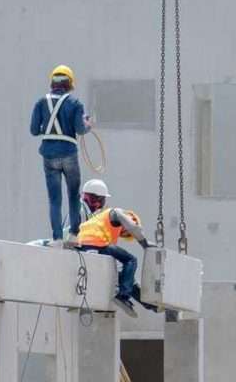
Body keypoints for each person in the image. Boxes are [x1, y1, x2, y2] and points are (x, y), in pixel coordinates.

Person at [30, 65, 92, 246]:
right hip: (69, 154)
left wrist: (48, 128)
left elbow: (34, 130)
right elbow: (80, 129)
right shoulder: (75, 104)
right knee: (73, 195)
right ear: (70, 84)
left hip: (49, 156)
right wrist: (87, 125)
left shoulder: (41, 103)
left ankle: (57, 238)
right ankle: (73, 235)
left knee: (54, 199)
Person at [75, 185, 155, 318]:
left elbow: (125, 278)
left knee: (119, 276)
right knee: (131, 260)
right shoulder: (115, 212)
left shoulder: (98, 220)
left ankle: (148, 304)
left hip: (82, 246)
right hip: (96, 244)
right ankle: (123, 296)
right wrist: (145, 243)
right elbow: (133, 227)